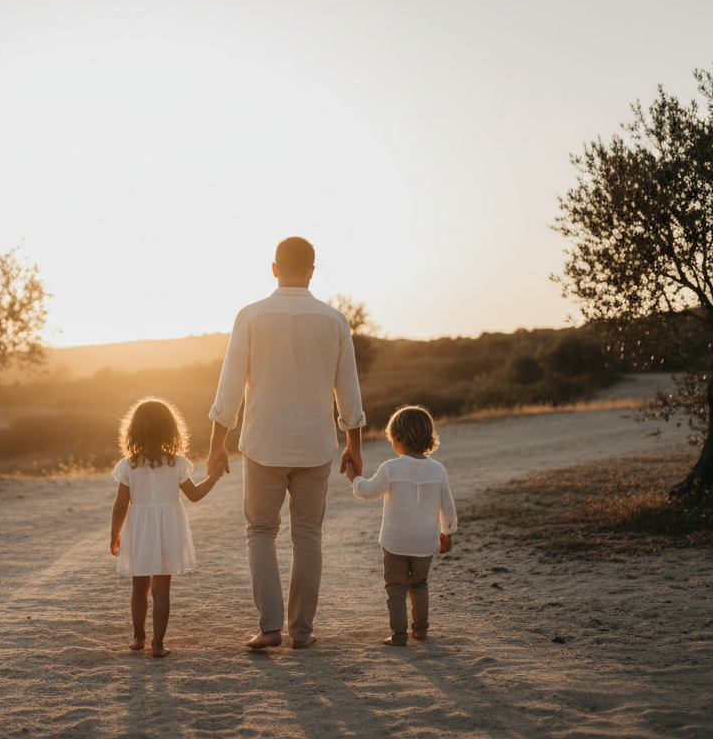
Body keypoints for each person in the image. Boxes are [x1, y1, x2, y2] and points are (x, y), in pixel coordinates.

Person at [206, 237, 366, 650]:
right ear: (312, 270)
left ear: (274, 268)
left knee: (260, 532)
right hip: (316, 446)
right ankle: (302, 632)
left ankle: (270, 627)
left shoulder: (252, 316)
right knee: (308, 536)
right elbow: (348, 391)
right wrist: (354, 444)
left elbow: (229, 386)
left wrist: (216, 443)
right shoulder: (335, 320)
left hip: (263, 445)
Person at [110, 398, 224, 657]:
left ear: (133, 431)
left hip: (139, 532)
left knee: (139, 588)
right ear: (171, 430)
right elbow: (194, 495)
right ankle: (158, 645)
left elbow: (120, 505)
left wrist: (115, 534)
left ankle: (138, 637)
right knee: (161, 590)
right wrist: (214, 477)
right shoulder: (177, 463)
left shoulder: (129, 465)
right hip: (167, 531)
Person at [348, 404, 457, 646]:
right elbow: (446, 505)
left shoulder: (391, 468)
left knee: (395, 589)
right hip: (425, 542)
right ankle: (420, 630)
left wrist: (353, 478)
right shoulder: (438, 470)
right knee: (419, 584)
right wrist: (447, 531)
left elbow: (368, 492)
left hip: (395, 542)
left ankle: (398, 635)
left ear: (397, 438)